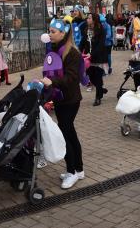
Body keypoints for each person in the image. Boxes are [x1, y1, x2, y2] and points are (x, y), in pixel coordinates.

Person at [39, 18, 85, 190]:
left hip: (70, 100)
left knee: (65, 134)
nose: (49, 34)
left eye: (53, 32)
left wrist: (53, 82)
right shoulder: (55, 49)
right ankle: (79, 169)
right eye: (49, 31)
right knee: (70, 132)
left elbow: (72, 78)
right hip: (60, 98)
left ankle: (72, 172)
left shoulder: (71, 52)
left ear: (62, 33)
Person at [80, 14, 108, 106]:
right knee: (90, 77)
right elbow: (82, 42)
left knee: (98, 77)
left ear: (94, 20)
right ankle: (100, 89)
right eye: (87, 18)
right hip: (88, 58)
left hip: (98, 57)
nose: (87, 19)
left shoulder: (101, 30)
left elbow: (101, 45)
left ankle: (98, 98)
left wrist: (92, 54)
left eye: (89, 18)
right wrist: (78, 52)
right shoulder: (85, 29)